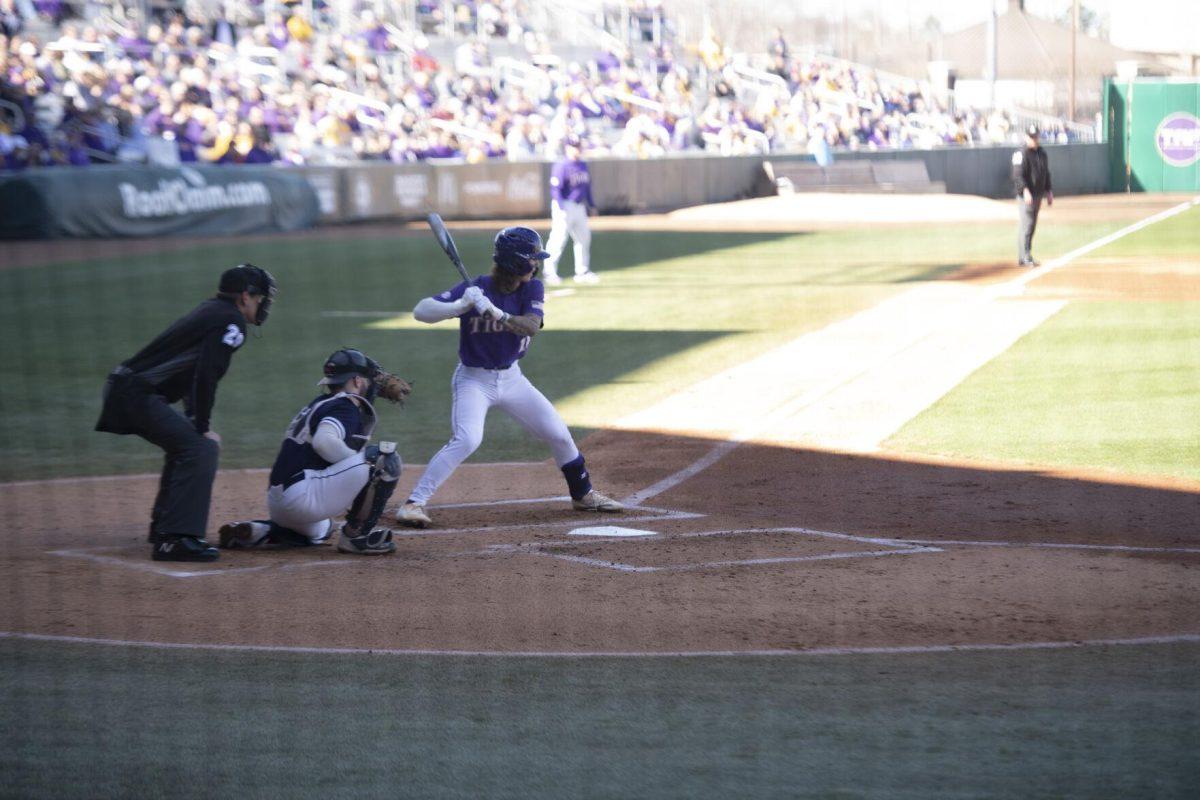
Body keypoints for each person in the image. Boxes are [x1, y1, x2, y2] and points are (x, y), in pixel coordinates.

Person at [396, 226, 623, 528]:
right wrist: (458, 306)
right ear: (516, 262)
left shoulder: (532, 288)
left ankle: (583, 496)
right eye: (532, 259)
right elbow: (421, 311)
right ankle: (413, 503)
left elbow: (530, 326)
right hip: (473, 380)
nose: (536, 265)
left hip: (513, 380)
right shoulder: (476, 288)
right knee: (467, 439)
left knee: (558, 433)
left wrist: (497, 313)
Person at [95, 264, 277, 562]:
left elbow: (194, 375)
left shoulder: (213, 310)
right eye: (259, 298)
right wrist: (202, 425)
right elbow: (206, 374)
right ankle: (175, 539)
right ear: (245, 297)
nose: (262, 304)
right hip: (134, 394)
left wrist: (196, 420)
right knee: (200, 448)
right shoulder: (230, 322)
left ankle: (165, 528)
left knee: (187, 445)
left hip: (126, 388)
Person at [218, 349, 407, 556]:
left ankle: (260, 531)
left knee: (323, 529)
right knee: (383, 458)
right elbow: (323, 443)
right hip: (304, 497)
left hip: (280, 502)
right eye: (368, 379)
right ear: (356, 381)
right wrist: (359, 470)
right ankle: (356, 538)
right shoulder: (345, 406)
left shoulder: (321, 403)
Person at [543, 136, 599, 285]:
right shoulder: (561, 165)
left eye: (578, 146)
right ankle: (549, 272)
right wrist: (561, 208)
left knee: (584, 238)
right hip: (564, 205)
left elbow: (587, 187)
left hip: (579, 206)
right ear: (567, 148)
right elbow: (555, 189)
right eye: (574, 146)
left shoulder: (582, 165)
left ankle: (582, 272)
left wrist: (591, 205)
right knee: (558, 239)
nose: (577, 149)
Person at [1013, 123, 1053, 266]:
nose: (1034, 139)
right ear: (1026, 137)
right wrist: (1025, 191)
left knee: (1032, 225)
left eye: (1036, 136)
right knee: (1027, 224)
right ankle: (1024, 256)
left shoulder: (1041, 153)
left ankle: (1025, 255)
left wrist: (1048, 191)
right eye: (1031, 137)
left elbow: (1046, 173)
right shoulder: (1021, 153)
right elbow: (1018, 175)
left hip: (1038, 194)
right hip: (1026, 196)